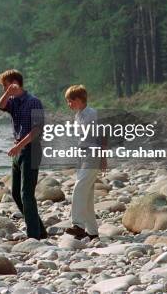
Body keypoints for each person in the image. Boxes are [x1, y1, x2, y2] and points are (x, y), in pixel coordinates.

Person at [0, 69, 47, 239]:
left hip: (31, 150)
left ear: (14, 83)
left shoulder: (34, 102)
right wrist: (8, 93)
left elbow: (38, 129)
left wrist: (20, 146)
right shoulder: (12, 101)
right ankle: (40, 230)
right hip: (18, 150)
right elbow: (0, 105)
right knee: (16, 193)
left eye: (5, 85)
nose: (4, 89)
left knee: (27, 193)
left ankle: (34, 236)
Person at [64, 84, 105, 240]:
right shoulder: (78, 115)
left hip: (93, 154)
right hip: (82, 155)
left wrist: (103, 158)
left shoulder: (92, 114)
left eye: (71, 100)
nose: (69, 104)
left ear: (80, 99)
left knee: (79, 188)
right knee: (86, 194)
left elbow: (103, 136)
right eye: (68, 101)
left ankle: (78, 225)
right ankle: (93, 232)